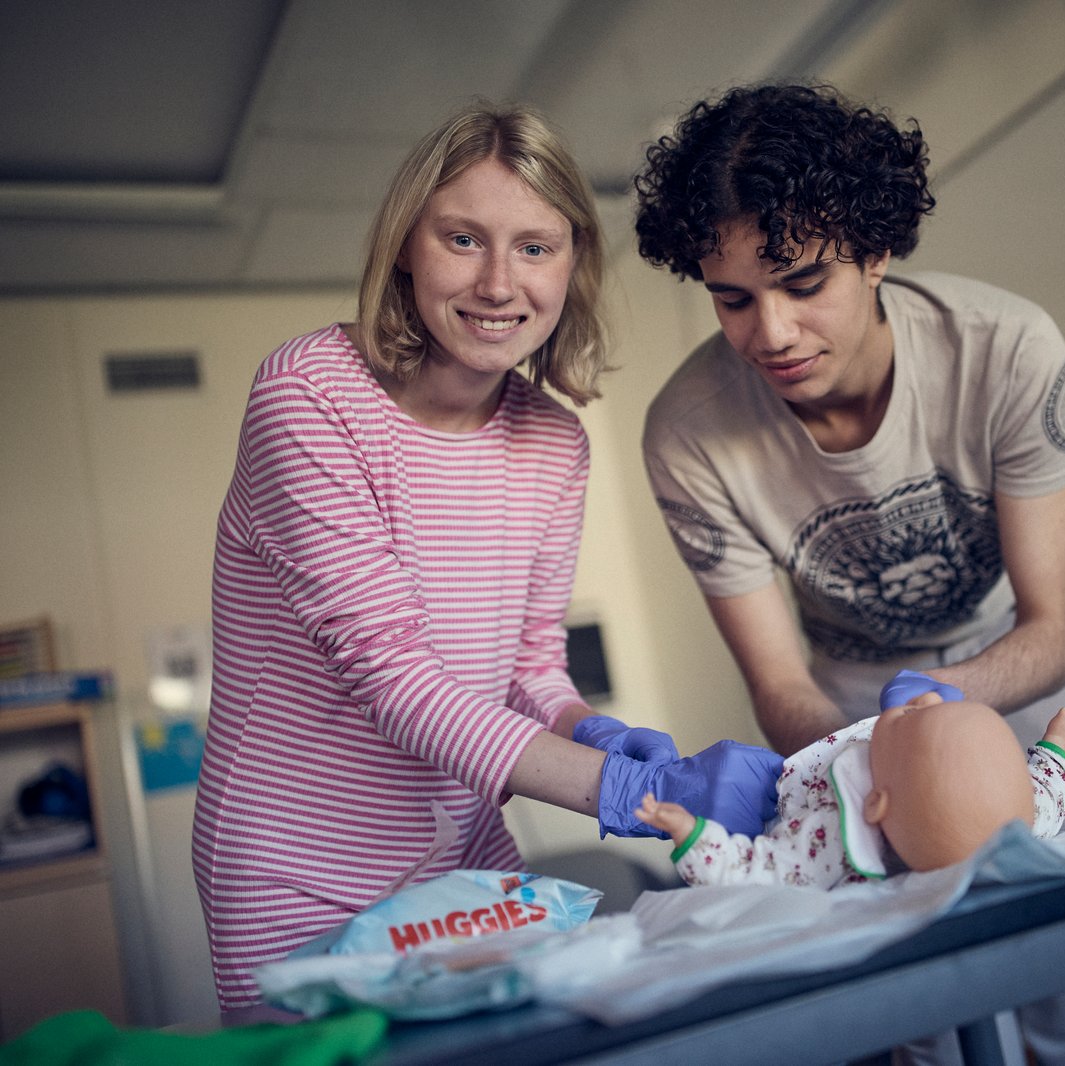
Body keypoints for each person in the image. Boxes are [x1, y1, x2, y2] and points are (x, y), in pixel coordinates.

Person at [192, 102, 783, 1011]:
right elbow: (394, 678)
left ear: (574, 260)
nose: (500, 283)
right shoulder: (308, 400)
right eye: (463, 238)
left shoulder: (554, 443)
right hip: (299, 872)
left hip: (465, 850)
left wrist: (587, 728)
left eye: (536, 247)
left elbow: (528, 666)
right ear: (404, 246)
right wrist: (638, 791)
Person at [634, 83, 1065, 1063]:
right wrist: (873, 754)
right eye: (732, 298)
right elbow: (780, 685)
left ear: (876, 249)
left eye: (801, 283)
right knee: (916, 1005)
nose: (771, 334)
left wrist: (945, 710)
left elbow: (1051, 628)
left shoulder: (1005, 351)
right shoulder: (687, 434)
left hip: (1025, 671)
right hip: (845, 707)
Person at [637, 688, 1065, 888]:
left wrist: (693, 834)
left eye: (912, 719)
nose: (927, 698)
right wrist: (1054, 743)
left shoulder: (834, 840)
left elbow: (761, 872)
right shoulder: (1022, 821)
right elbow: (1047, 790)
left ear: (874, 802)